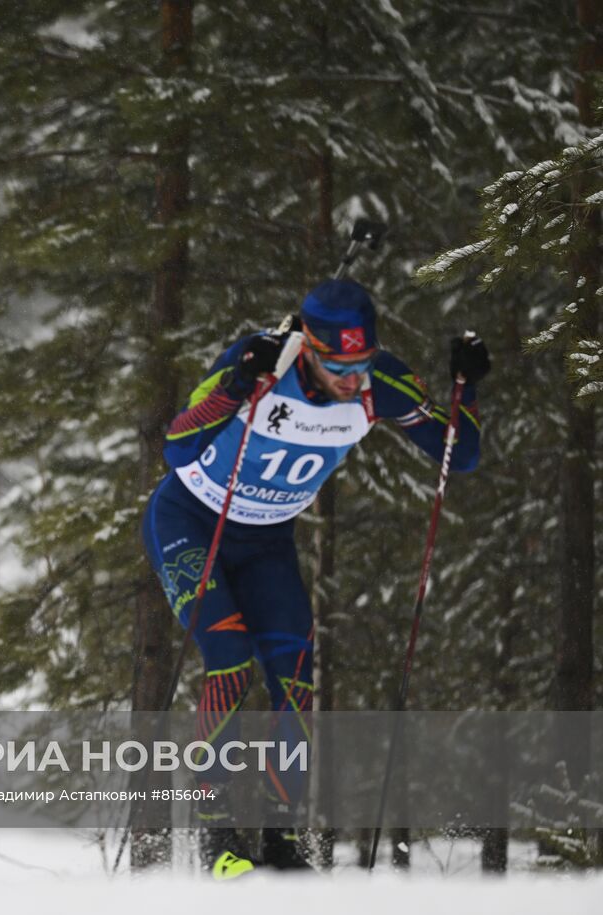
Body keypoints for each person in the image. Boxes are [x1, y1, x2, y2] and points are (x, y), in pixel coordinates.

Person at [140, 280, 490, 879]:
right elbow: (176, 448)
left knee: (294, 676)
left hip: (269, 538)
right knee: (229, 655)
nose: (352, 380)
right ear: (308, 349)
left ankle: (280, 839)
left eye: (360, 364)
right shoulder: (262, 361)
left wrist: (467, 389)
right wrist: (233, 388)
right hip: (194, 520)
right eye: (337, 367)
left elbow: (461, 454)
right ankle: (216, 836)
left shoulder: (378, 383)